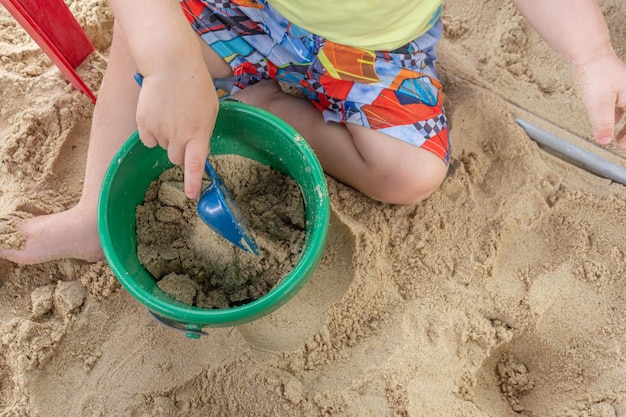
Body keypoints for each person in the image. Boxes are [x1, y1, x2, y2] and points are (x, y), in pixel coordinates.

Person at [1, 0, 625, 265]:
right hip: (252, 16)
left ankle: (262, 102)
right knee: (139, 53)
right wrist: (170, 63)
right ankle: (92, 217)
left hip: (376, 59)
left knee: (411, 173)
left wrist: (593, 57)